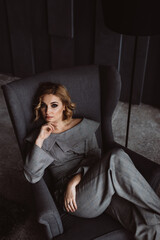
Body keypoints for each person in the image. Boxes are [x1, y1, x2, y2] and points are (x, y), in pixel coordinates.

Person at [24, 82, 160, 240]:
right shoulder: (40, 136)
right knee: (116, 157)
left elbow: (95, 159)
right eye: (43, 106)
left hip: (95, 187)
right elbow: (32, 176)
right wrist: (40, 139)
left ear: (64, 106)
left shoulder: (83, 125)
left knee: (146, 221)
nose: (48, 111)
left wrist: (74, 180)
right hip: (75, 200)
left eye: (54, 105)